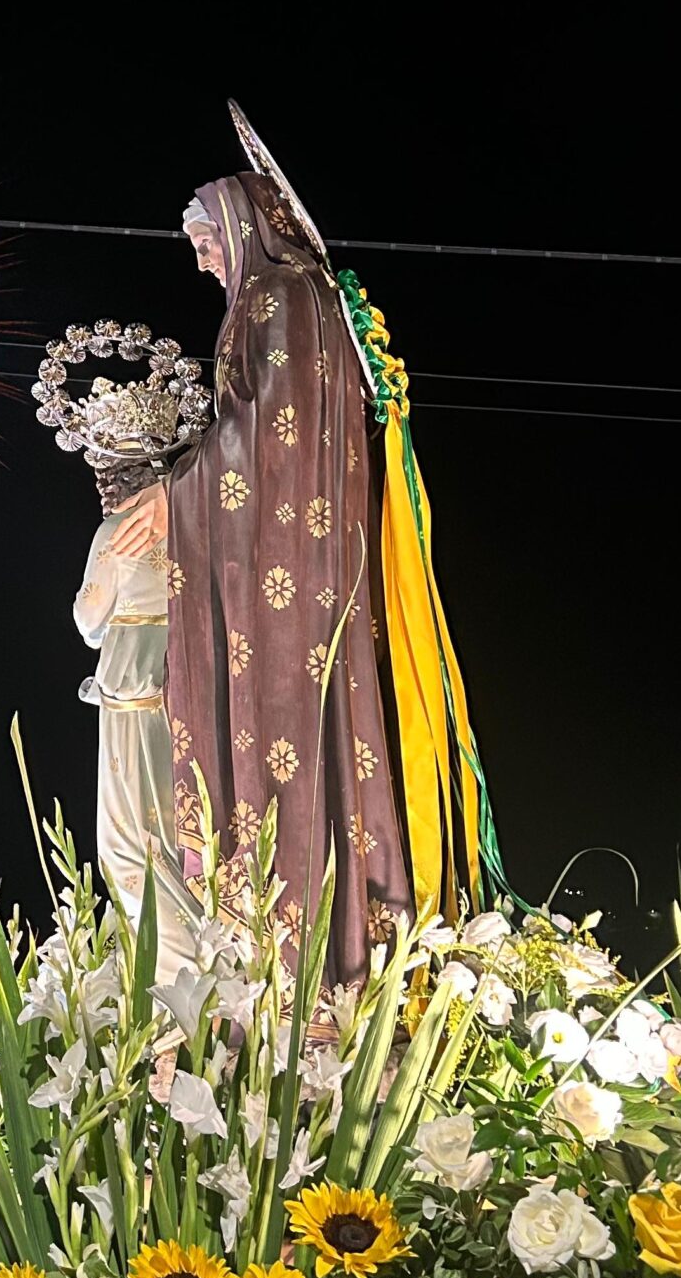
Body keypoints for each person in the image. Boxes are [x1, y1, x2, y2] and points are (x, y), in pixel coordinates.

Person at [152, 112, 494, 987]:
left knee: (285, 744)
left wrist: (170, 484)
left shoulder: (279, 299)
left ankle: (304, 968)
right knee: (322, 743)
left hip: (283, 581)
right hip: (307, 574)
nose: (203, 262)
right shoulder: (302, 300)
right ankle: (333, 957)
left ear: (241, 225)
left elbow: (258, 447)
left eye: (206, 241)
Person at [34, 322, 207, 978]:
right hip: (190, 673)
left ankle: (175, 981)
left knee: (131, 841)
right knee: (185, 826)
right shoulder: (195, 519)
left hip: (133, 679)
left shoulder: (116, 528)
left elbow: (89, 619)